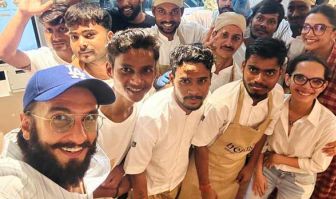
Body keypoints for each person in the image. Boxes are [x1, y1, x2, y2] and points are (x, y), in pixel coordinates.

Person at [178, 38, 287, 199]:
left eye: (269, 73)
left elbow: (265, 132)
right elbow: (201, 146)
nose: (259, 79)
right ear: (243, 67)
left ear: (280, 72)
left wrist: (250, 166)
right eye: (253, 70)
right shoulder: (223, 102)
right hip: (202, 173)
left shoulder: (277, 95)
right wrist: (205, 187)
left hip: (234, 173)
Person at [0, 64, 115, 198]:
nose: (80, 137)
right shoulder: (16, 186)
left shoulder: (74, 153)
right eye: (60, 118)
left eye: (89, 118)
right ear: (27, 126)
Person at [124, 44, 213, 198]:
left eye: (202, 81)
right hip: (148, 191)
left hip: (177, 185)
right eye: (185, 81)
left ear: (210, 80)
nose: (194, 90)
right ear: (172, 79)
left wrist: (205, 187)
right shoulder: (153, 116)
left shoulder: (204, 101)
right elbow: (136, 170)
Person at [246, 54, 336, 199]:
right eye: (300, 78)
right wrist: (257, 173)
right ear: (288, 79)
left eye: (316, 81)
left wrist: (279, 159)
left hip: (301, 176)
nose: (307, 86)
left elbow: (319, 164)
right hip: (266, 167)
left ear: (324, 86)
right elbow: (260, 141)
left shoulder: (329, 122)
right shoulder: (274, 104)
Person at [90, 29, 160, 198]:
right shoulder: (88, 117)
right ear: (109, 70)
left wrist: (122, 168)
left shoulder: (145, 103)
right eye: (126, 70)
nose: (137, 80)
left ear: (156, 72)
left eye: (146, 70)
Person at [296, 5, 336, 199]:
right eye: (306, 27)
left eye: (319, 28)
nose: (309, 33)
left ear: (334, 33)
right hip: (303, 144)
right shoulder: (307, 56)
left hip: (330, 151)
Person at [0, 1, 72, 72]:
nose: (55, 37)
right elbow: (5, 53)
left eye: (62, 29)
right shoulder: (42, 58)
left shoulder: (82, 55)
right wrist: (23, 14)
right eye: (49, 30)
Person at [147, 0, 206, 76]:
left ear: (182, 12)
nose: (168, 19)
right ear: (153, 12)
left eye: (174, 11)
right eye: (161, 11)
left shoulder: (194, 31)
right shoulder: (145, 39)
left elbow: (216, 36)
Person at [64, 2, 113, 80]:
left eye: (89, 35)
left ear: (110, 37)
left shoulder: (133, 68)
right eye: (74, 37)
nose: (81, 44)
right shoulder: (68, 80)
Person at [233, 0, 287, 69]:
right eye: (260, 18)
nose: (263, 25)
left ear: (277, 27)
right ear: (251, 19)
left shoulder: (279, 58)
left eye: (271, 22)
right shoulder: (235, 46)